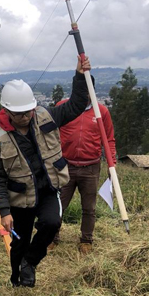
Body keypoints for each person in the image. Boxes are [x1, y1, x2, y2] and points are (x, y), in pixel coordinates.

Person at [0, 56, 91, 287]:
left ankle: (31, 263)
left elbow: (76, 105)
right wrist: (4, 212)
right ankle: (17, 280)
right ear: (7, 111)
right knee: (19, 244)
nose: (26, 117)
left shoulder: (46, 116)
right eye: (20, 114)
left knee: (52, 223)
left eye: (28, 111)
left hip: (47, 191)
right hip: (20, 199)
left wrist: (80, 76)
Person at [50, 100, 116, 254]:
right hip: (65, 166)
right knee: (58, 205)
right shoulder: (63, 107)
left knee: (89, 207)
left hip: (90, 167)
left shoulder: (101, 112)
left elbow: (109, 139)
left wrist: (112, 163)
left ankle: (86, 240)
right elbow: (50, 132)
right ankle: (51, 238)